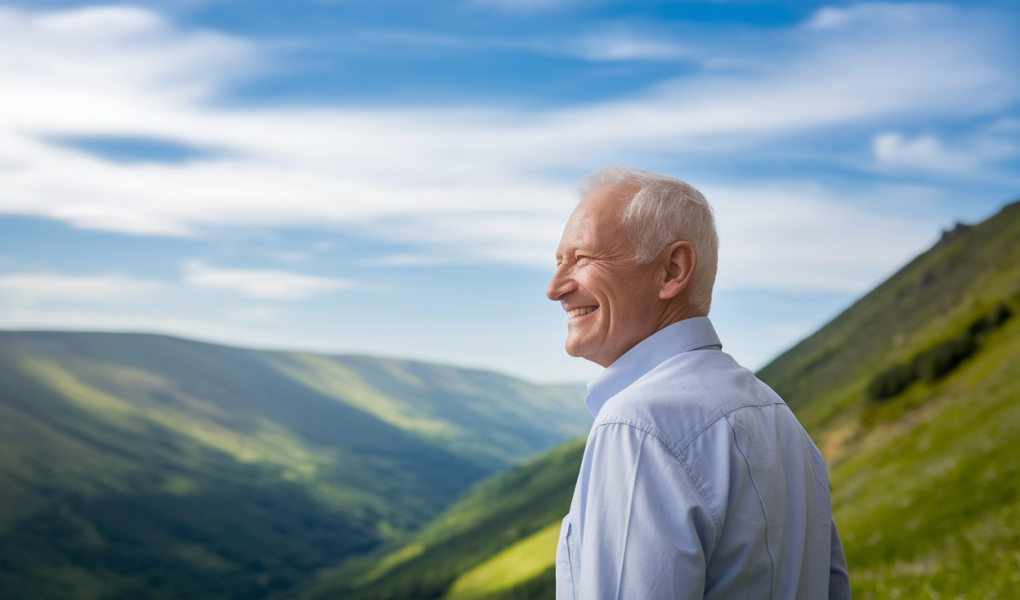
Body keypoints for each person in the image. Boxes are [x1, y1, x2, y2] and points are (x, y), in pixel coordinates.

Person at [547, 167, 851, 600]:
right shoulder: (781, 419)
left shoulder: (636, 426)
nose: (555, 288)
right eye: (559, 262)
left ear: (672, 270)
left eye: (583, 258)